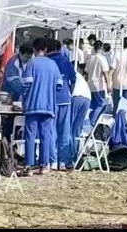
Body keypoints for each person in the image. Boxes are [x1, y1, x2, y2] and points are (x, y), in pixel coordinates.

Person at [21, 38, 62, 175]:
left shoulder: (31, 63)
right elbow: (59, 85)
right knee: (46, 136)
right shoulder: (53, 64)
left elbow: (26, 84)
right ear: (45, 49)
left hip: (32, 105)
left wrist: (24, 98)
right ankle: (44, 165)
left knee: (30, 136)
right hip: (49, 106)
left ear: (34, 49)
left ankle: (29, 165)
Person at [47, 39, 78, 168]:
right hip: (65, 99)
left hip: (51, 99)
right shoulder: (65, 61)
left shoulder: (47, 62)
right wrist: (69, 91)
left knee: (51, 131)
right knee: (65, 131)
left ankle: (52, 160)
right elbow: (74, 79)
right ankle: (64, 161)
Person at [84, 40, 111, 126]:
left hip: (90, 84)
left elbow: (86, 72)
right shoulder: (102, 58)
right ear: (102, 47)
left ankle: (89, 121)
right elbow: (105, 73)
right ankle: (93, 120)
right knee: (102, 104)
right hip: (99, 85)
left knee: (93, 105)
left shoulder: (90, 58)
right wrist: (109, 85)